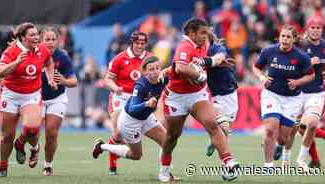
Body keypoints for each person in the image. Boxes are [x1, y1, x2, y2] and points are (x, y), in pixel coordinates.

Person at [159, 18, 239, 182]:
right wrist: (199, 74)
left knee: (212, 124)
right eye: (202, 33)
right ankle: (164, 170)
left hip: (197, 94)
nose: (205, 36)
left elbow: (213, 58)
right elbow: (180, 68)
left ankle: (228, 161)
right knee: (172, 136)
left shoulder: (203, 45)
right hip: (176, 97)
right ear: (192, 33)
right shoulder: (184, 46)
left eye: (207, 33)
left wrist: (212, 63)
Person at [275, 16, 325, 169]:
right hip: (298, 93)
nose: (316, 30)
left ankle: (302, 160)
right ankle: (286, 161)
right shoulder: (300, 44)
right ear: (307, 28)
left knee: (309, 125)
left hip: (317, 92)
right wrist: (307, 63)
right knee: (293, 128)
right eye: (313, 27)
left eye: (319, 28)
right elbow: (289, 64)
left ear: (322, 30)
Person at [92, 56, 172, 175]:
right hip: (130, 121)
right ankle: (102, 146)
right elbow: (132, 109)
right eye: (151, 69)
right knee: (136, 155)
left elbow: (176, 69)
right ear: (144, 72)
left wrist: (169, 69)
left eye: (157, 68)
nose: (155, 72)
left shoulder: (162, 78)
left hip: (146, 117)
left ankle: (165, 174)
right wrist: (146, 103)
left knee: (167, 142)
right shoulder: (141, 85)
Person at [0, 22, 56, 177]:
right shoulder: (11, 51)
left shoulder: (42, 49)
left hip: (31, 95)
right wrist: (16, 62)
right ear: (23, 38)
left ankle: (31, 147)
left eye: (37, 34)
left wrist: (50, 78)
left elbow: (49, 62)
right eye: (32, 35)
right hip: (10, 94)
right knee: (7, 136)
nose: (36, 37)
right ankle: (2, 166)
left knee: (32, 128)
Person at [252, 24, 315, 169]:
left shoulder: (302, 57)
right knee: (270, 129)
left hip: (292, 99)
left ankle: (279, 145)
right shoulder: (269, 51)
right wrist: (262, 78)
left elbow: (311, 75)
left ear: (294, 39)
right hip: (271, 95)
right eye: (283, 36)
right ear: (279, 37)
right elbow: (256, 67)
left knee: (283, 138)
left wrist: (298, 82)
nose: (285, 39)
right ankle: (268, 166)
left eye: (288, 37)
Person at [104, 30, 151, 175]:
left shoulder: (150, 59)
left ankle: (102, 146)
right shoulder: (119, 58)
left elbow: (155, 77)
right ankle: (112, 167)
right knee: (118, 133)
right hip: (120, 97)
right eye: (137, 43)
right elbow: (107, 79)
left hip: (138, 99)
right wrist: (115, 88)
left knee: (126, 136)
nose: (140, 46)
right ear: (132, 43)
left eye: (143, 43)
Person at [39, 26, 78, 176]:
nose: (50, 42)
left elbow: (74, 81)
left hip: (57, 98)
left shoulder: (62, 57)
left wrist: (63, 81)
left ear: (58, 40)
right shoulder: (33, 55)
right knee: (32, 133)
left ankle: (48, 165)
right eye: (47, 39)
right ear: (41, 40)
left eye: (53, 39)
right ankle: (34, 148)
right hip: (35, 98)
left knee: (51, 133)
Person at [203, 33, 238, 157]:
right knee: (223, 127)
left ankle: (214, 142)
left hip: (229, 93)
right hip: (211, 95)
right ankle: (226, 164)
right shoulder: (196, 50)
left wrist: (206, 62)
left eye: (204, 38)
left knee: (226, 132)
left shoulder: (217, 48)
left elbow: (218, 59)